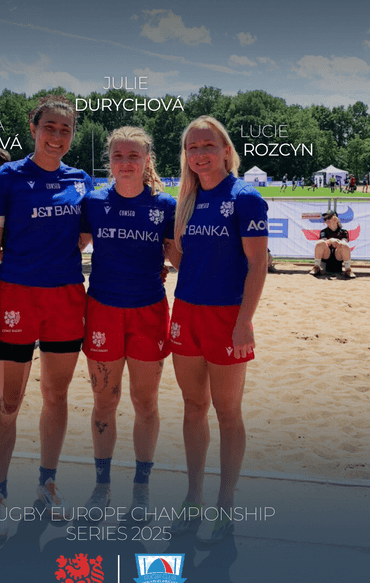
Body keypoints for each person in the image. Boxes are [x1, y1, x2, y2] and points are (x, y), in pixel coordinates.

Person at [0, 96, 94, 541]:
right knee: (7, 404)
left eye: (66, 129)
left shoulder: (81, 180)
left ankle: (47, 484)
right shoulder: (5, 179)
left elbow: (84, 236)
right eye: (50, 127)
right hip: (14, 300)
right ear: (33, 127)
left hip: (65, 299)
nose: (57, 136)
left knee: (56, 396)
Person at [168, 116, 268, 545]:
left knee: (227, 413)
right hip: (185, 312)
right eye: (192, 148)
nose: (199, 154)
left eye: (207, 145)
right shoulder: (186, 201)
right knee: (193, 407)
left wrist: (245, 321)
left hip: (227, 317)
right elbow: (184, 259)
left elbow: (258, 265)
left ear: (226, 150)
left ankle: (225, 506)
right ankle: (194, 497)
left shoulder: (245, 197)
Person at [80, 126, 178, 518]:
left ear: (147, 160)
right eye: (118, 156)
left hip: (148, 312)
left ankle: (141, 489)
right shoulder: (93, 202)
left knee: (145, 402)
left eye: (133, 155)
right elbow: (69, 247)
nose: (125, 163)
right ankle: (102, 487)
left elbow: (179, 258)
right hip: (102, 310)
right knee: (105, 401)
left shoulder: (165, 206)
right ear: (110, 161)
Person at [309, 210, 356, 278]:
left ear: (335, 219)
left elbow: (344, 241)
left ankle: (348, 270)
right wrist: (331, 240)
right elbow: (323, 240)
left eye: (329, 218)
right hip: (326, 256)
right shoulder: (324, 231)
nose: (326, 220)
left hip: (338, 257)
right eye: (325, 219)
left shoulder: (343, 232)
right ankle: (316, 267)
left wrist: (337, 242)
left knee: (344, 245)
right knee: (320, 243)